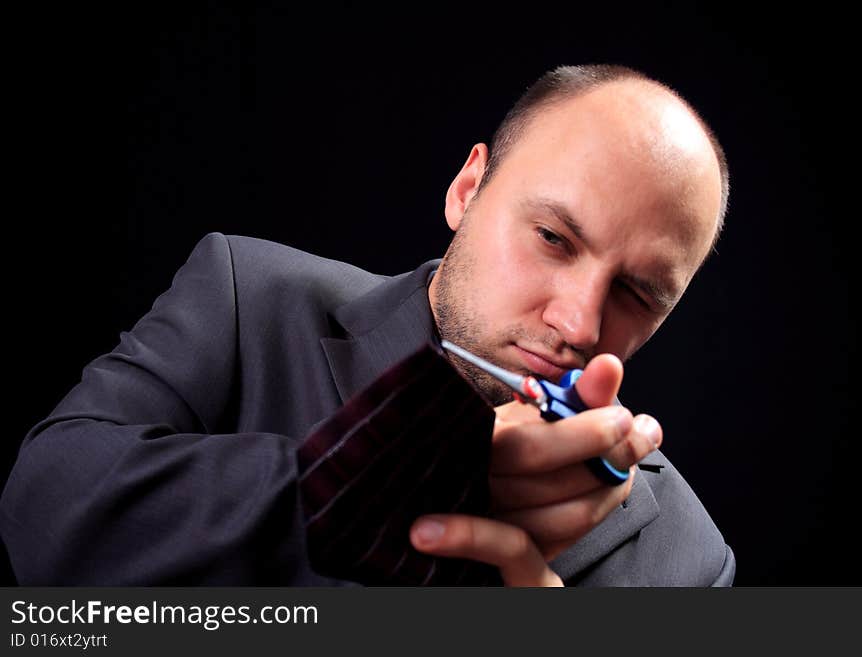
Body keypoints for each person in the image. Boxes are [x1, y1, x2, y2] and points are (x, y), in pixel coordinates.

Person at [0, 64, 734, 586]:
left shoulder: (691, 558)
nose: (577, 323)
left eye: (638, 293)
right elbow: (47, 513)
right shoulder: (247, 298)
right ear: (467, 188)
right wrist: (366, 491)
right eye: (552, 237)